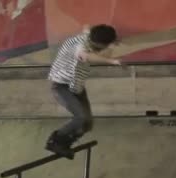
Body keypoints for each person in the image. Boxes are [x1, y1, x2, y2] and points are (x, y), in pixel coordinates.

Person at [45, 24, 121, 159]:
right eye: (101, 48)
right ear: (97, 44)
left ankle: (65, 143)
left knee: (87, 124)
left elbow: (87, 27)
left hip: (77, 87)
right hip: (62, 86)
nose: (100, 51)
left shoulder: (88, 35)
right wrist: (111, 60)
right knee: (81, 117)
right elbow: (86, 56)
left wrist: (111, 40)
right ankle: (54, 141)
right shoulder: (81, 47)